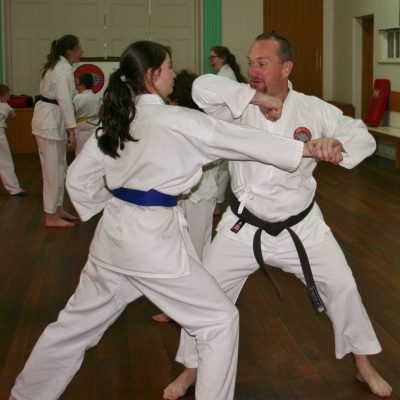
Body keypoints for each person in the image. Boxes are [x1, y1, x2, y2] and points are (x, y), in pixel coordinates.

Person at [8, 40, 317, 400]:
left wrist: (115, 206)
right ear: (153, 75)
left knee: (73, 326)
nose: (173, 72)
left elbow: (78, 180)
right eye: (168, 67)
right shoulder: (177, 120)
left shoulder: (115, 122)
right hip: (153, 245)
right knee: (220, 321)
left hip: (113, 240)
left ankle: (25, 395)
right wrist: (302, 149)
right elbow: (238, 139)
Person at [166, 32, 393, 399]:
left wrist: (336, 143)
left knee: (344, 287)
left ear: (286, 68)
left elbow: (360, 134)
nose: (253, 69)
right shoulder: (236, 105)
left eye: (262, 63)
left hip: (300, 226)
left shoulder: (312, 108)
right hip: (242, 226)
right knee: (206, 294)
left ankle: (364, 363)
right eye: (251, 61)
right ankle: (191, 368)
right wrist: (256, 96)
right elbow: (201, 89)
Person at [152, 69, 219, 324]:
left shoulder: (194, 121)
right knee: (196, 248)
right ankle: (198, 302)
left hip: (199, 193)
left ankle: (187, 307)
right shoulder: (186, 118)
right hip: (192, 193)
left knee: (192, 250)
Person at [32, 34, 82, 228]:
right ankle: (50, 216)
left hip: (51, 120)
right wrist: (72, 131)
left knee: (60, 168)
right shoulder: (62, 69)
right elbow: (64, 100)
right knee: (53, 171)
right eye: (79, 48)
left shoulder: (59, 66)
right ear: (70, 51)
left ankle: (57, 208)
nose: (81, 51)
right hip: (50, 124)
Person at [208, 46, 247, 217]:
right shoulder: (226, 74)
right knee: (222, 167)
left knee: (220, 167)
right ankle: (216, 201)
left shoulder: (225, 76)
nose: (211, 61)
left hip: (226, 126)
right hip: (227, 126)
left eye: (213, 57)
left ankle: (215, 202)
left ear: (222, 58)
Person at [0, 84, 26, 196]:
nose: (9, 98)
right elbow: (13, 116)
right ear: (2, 97)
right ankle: (14, 189)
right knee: (5, 162)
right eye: (7, 95)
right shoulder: (5, 105)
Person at [73, 73, 101, 155]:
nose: (76, 87)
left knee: (81, 156)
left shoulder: (79, 98)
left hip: (82, 132)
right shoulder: (96, 98)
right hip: (94, 130)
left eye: (77, 84)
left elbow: (71, 114)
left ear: (83, 85)